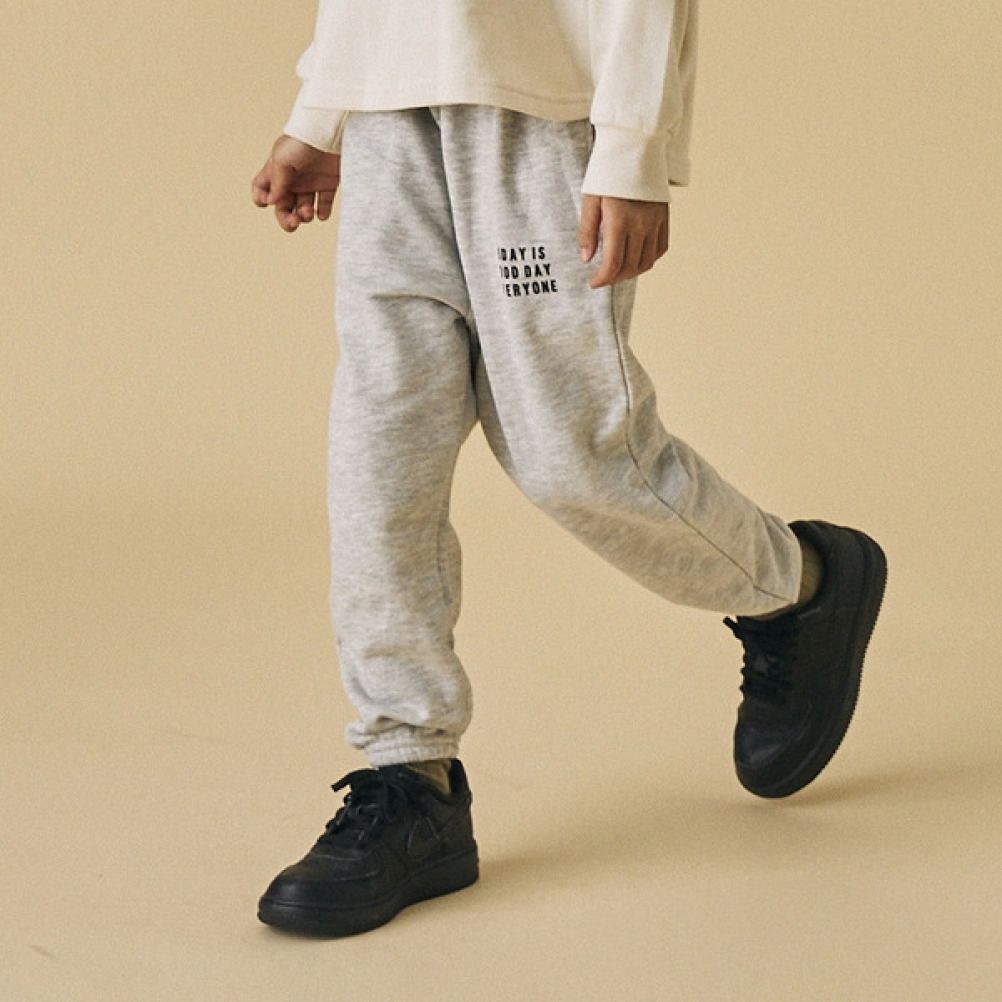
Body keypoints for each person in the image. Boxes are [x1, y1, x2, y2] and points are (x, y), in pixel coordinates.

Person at [249, 0, 886, 938]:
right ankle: (410, 775)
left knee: (571, 456)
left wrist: (632, 149)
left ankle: (800, 585)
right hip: (388, 121)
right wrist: (323, 109)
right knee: (377, 467)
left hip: (540, 116)